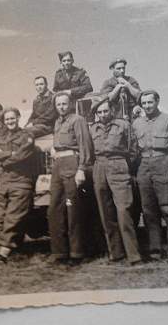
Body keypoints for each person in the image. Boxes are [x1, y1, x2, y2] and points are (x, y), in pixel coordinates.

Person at [132, 90, 168, 264]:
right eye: (144, 103)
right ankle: (155, 250)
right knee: (149, 211)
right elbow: (133, 149)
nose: (147, 106)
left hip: (164, 164)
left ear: (157, 101)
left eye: (150, 102)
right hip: (143, 166)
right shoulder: (136, 124)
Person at [90, 99, 142, 266]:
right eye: (100, 112)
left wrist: (125, 166)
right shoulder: (93, 128)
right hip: (99, 167)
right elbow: (90, 152)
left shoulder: (123, 125)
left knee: (124, 211)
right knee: (106, 213)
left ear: (111, 110)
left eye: (106, 111)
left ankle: (133, 255)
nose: (103, 114)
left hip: (119, 164)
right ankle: (116, 253)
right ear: (96, 114)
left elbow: (133, 149)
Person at [48, 92, 94, 264]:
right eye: (58, 104)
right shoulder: (58, 122)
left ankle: (76, 253)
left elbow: (85, 146)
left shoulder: (78, 120)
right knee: (54, 208)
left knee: (73, 208)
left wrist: (81, 169)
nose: (61, 107)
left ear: (71, 104)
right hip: (57, 166)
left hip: (72, 164)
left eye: (64, 104)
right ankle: (59, 252)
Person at [0, 107, 36, 261]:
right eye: (7, 119)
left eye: (12, 118)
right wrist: (9, 154)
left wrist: (3, 160)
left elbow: (23, 155)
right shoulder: (2, 137)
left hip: (20, 182)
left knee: (12, 218)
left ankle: (4, 251)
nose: (10, 121)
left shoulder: (27, 135)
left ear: (18, 117)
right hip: (4, 181)